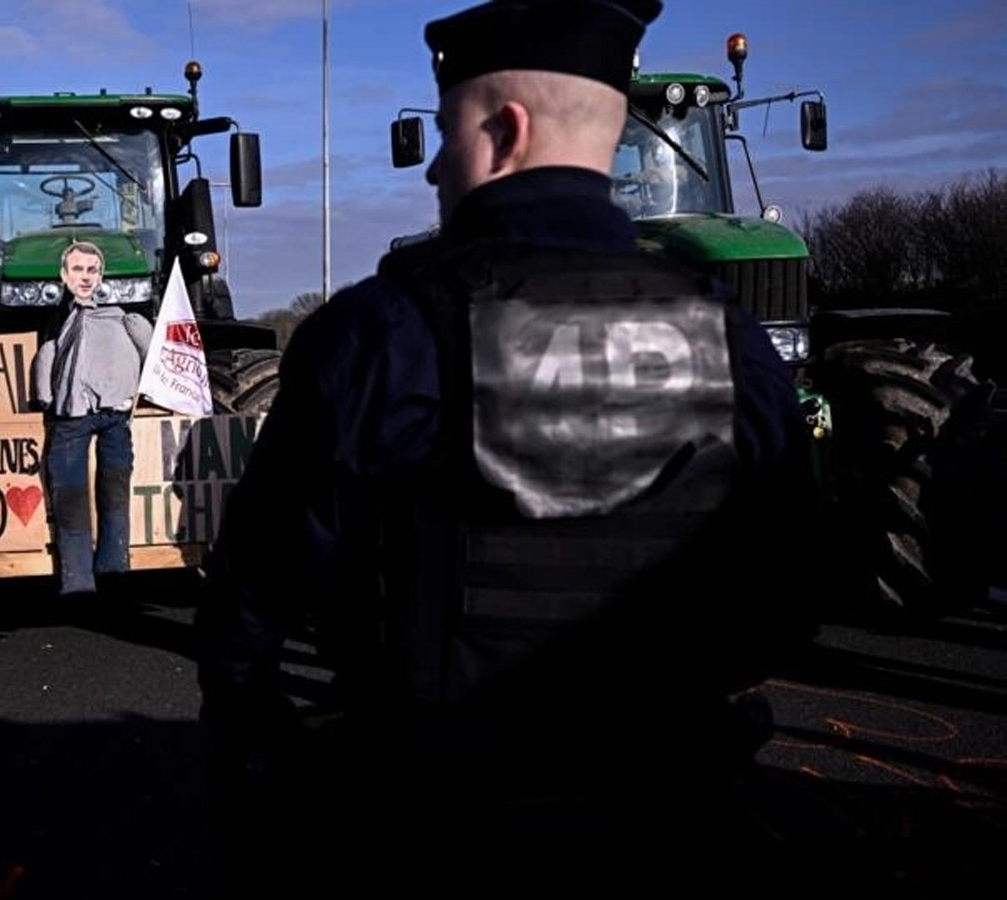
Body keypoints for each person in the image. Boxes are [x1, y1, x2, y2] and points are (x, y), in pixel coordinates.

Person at [194, 0, 823, 892]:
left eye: (448, 135)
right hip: (669, 826)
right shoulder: (733, 343)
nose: (434, 172)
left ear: (501, 130)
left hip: (428, 829)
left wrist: (274, 759)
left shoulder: (375, 334)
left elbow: (250, 610)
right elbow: (785, 605)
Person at [32, 240, 153, 596]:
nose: (85, 277)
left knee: (114, 489)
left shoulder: (124, 315)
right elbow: (46, 356)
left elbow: (148, 347)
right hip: (71, 413)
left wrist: (147, 388)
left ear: (101, 275)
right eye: (78, 270)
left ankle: (114, 567)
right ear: (64, 275)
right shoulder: (58, 319)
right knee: (69, 495)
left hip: (116, 411)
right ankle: (78, 580)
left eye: (92, 270)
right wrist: (46, 397)